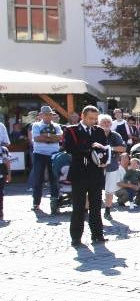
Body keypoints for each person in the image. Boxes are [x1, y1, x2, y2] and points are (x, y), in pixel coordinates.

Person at [63, 105, 110, 247]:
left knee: (96, 205)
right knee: (78, 206)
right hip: (79, 173)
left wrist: (105, 160)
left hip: (95, 173)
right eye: (90, 118)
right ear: (82, 116)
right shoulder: (71, 130)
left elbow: (104, 149)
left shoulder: (99, 131)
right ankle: (76, 238)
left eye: (95, 119)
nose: (93, 121)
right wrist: (91, 147)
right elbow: (69, 148)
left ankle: (97, 234)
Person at [30, 106, 63, 214]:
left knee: (54, 178)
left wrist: (46, 135)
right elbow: (36, 138)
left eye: (49, 114)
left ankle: (54, 203)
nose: (48, 116)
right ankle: (36, 203)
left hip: (54, 154)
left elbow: (60, 138)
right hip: (39, 154)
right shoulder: (36, 125)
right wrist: (52, 137)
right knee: (38, 178)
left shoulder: (57, 126)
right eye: (45, 114)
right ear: (41, 115)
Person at [98, 114, 126, 219]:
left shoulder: (115, 135)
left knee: (109, 190)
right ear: (99, 123)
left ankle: (107, 211)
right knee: (93, 190)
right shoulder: (95, 134)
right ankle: (91, 211)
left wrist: (108, 148)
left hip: (111, 166)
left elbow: (123, 148)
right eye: (103, 122)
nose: (106, 124)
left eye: (108, 122)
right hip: (96, 167)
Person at [0, 144, 10, 222]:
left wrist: (9, 174)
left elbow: (7, 162)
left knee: (0, 193)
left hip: (1, 172)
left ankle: (0, 214)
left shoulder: (3, 149)